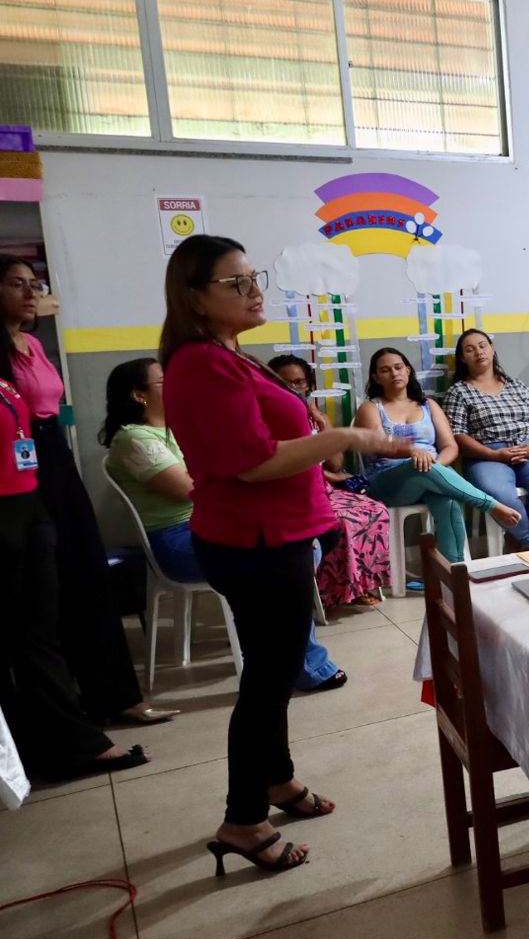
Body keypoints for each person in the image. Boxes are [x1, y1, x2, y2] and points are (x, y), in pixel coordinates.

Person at [159, 234, 411, 872]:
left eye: (255, 276)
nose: (254, 290)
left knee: (276, 672)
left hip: (276, 535)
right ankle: (243, 819)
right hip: (254, 541)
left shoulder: (230, 354)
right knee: (270, 683)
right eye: (235, 283)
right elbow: (251, 465)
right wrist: (352, 436)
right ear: (195, 296)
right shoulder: (200, 364)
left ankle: (277, 781)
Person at [102, 358, 347, 691]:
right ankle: (300, 664)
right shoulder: (134, 439)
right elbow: (187, 490)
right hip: (178, 539)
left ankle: (283, 658)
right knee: (287, 558)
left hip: (210, 522)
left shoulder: (176, 428)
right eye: (163, 382)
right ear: (139, 395)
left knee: (299, 547)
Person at [0, 254, 169, 724]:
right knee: (45, 588)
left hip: (53, 457)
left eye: (34, 284)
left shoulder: (32, 344)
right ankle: (61, 709)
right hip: (18, 469)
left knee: (86, 576)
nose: (30, 293)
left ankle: (116, 695)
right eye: (17, 284)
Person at [0, 370, 150, 781]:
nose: (33, 299)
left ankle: (70, 743)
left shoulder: (8, 374)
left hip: (30, 503)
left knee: (39, 633)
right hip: (8, 516)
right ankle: (21, 755)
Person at [357, 347, 521, 564]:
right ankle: (490, 505)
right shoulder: (371, 407)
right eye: (386, 370)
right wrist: (412, 452)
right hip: (388, 481)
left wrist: (433, 465)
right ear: (376, 377)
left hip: (430, 472)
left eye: (398, 367)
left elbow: (450, 446)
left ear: (407, 370)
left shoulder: (428, 405)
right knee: (420, 466)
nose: (394, 373)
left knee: (450, 503)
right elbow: (379, 445)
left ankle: (453, 572)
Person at [267, 354, 390, 607]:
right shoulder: (268, 418)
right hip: (294, 491)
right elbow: (285, 465)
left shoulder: (315, 416)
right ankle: (327, 594)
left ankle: (359, 586)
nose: (293, 388)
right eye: (285, 382)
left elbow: (335, 463)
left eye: (299, 382)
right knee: (341, 521)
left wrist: (324, 425)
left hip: (325, 488)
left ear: (308, 385)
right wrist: (331, 475)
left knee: (374, 510)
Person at [445, 328, 529, 551]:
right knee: (501, 497)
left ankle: (515, 536)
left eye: (483, 346)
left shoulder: (516, 385)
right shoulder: (459, 391)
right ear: (463, 358)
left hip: (527, 448)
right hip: (486, 454)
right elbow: (458, 436)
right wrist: (494, 454)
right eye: (470, 350)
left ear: (492, 349)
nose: (479, 352)